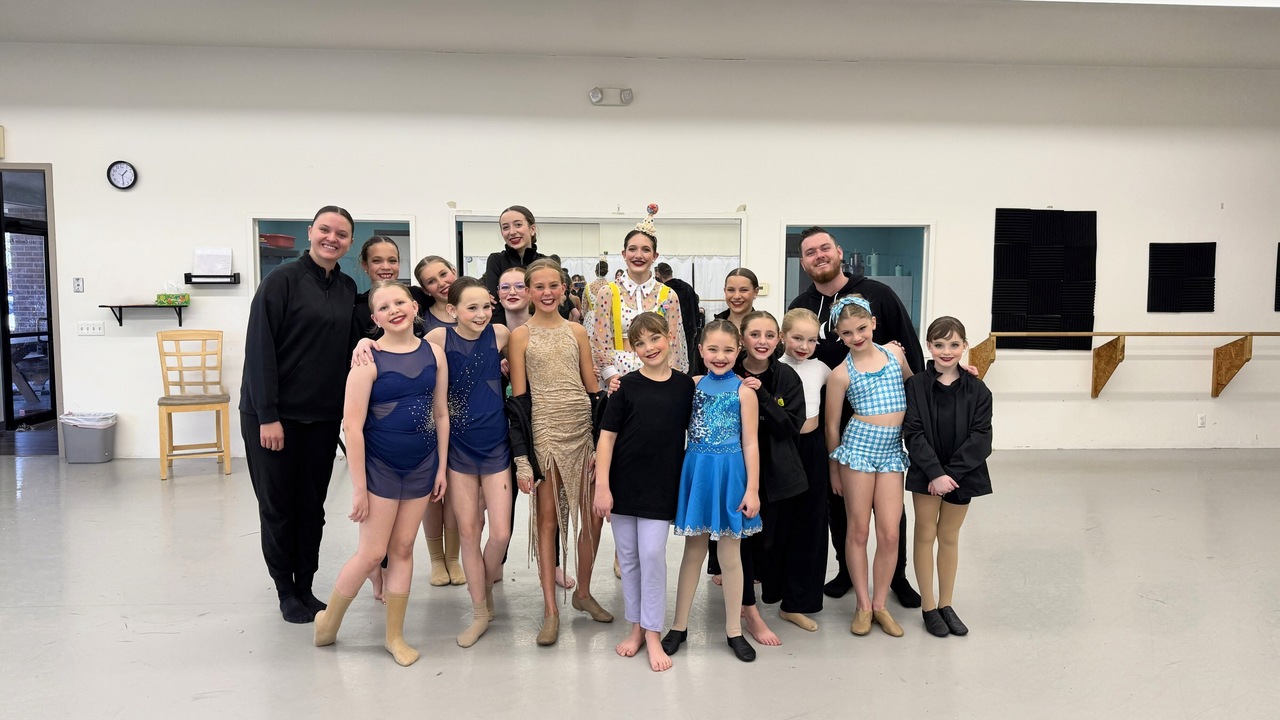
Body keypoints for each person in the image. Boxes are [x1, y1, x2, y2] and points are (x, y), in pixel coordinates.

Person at [312, 281, 449, 666]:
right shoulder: (366, 362)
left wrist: (440, 466)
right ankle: (328, 623)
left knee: (404, 549)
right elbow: (352, 428)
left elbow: (440, 413)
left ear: (414, 306)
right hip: (380, 469)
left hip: (422, 466)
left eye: (400, 301)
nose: (394, 309)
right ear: (375, 319)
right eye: (384, 306)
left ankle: (394, 636)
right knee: (372, 552)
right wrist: (359, 488)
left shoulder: (434, 353)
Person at [788, 226, 922, 607]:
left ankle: (897, 576)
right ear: (804, 262)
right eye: (810, 252)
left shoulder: (879, 295)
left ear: (839, 251)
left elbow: (909, 354)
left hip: (883, 420)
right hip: (833, 421)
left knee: (890, 509)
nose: (819, 256)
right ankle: (847, 571)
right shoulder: (801, 304)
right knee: (841, 503)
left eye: (824, 248)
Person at [241, 205, 358, 624]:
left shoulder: (346, 287)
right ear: (311, 232)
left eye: (341, 233)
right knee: (278, 506)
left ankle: (306, 585)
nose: (332, 238)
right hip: (272, 417)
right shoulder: (281, 281)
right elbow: (259, 351)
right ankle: (284, 590)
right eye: (325, 230)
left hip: (322, 418)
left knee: (312, 507)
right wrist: (268, 415)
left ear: (349, 241)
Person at [508, 258, 611, 646]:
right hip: (546, 431)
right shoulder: (520, 336)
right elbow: (519, 400)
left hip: (582, 430)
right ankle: (551, 608)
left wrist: (601, 434)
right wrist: (523, 458)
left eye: (555, 285)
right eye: (540, 286)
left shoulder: (577, 331)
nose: (548, 292)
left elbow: (592, 387)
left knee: (594, 517)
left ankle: (582, 593)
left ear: (564, 288)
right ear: (529, 291)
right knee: (548, 521)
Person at [593, 312, 695, 673]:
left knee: (652, 555)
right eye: (640, 343)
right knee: (630, 558)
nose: (649, 348)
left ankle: (653, 631)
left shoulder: (686, 387)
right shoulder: (626, 387)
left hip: (661, 485)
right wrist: (602, 486)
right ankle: (636, 627)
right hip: (622, 485)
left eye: (654, 339)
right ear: (632, 349)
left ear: (669, 338)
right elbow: (606, 439)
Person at [662, 319, 762, 663]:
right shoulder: (690, 386)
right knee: (694, 551)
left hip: (731, 472)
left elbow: (751, 444)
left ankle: (734, 629)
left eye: (728, 350)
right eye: (713, 349)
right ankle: (678, 625)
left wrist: (753, 489)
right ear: (701, 350)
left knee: (730, 556)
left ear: (739, 351)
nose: (720, 356)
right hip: (699, 470)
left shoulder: (744, 391)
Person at [425, 277, 514, 648]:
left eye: (485, 306)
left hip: (496, 443)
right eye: (471, 307)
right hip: (458, 448)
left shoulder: (501, 334)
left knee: (500, 534)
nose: (480, 314)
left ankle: (486, 588)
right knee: (469, 531)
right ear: (452, 311)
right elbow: (396, 349)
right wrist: (365, 342)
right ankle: (479, 611)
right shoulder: (438, 340)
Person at [824, 296, 913, 638]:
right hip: (858, 451)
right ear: (839, 335)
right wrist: (834, 468)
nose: (856, 337)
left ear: (873, 323)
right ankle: (862, 605)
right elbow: (832, 427)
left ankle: (880, 605)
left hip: (891, 451)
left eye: (861, 328)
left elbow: (914, 387)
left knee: (890, 532)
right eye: (847, 333)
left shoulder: (895, 354)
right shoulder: (840, 374)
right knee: (858, 531)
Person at [903, 316, 993, 638]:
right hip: (927, 474)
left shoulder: (978, 389)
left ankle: (946, 603)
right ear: (929, 346)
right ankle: (928, 606)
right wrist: (934, 473)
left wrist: (949, 475)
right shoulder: (914, 386)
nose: (946, 351)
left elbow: (981, 438)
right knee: (925, 534)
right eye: (939, 344)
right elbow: (912, 432)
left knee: (950, 536)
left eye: (954, 344)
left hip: (962, 475)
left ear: (964, 347)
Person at [736, 311, 808, 643]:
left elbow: (791, 428)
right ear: (742, 339)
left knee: (774, 542)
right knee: (742, 544)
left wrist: (762, 396)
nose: (762, 341)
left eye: (769, 335)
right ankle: (745, 605)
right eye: (755, 334)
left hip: (778, 474)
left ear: (778, 339)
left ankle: (779, 601)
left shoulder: (788, 378)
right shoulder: (727, 370)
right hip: (737, 472)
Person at [587, 204, 689, 390]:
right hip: (618, 376)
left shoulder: (668, 295)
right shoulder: (608, 292)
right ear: (624, 254)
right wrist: (610, 376)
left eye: (646, 250)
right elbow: (599, 340)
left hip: (659, 375)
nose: (638, 255)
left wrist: (672, 380)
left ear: (655, 256)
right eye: (633, 249)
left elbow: (674, 342)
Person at [775, 308, 834, 632]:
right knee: (779, 522)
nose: (804, 345)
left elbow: (859, 373)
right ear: (783, 337)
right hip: (780, 448)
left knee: (811, 523)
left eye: (811, 340)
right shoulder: (775, 368)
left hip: (812, 448)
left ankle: (799, 602)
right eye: (797, 338)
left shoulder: (821, 368)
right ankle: (771, 590)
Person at [706, 267, 764, 580]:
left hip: (747, 409)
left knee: (743, 499)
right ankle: (720, 566)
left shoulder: (761, 323)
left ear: (755, 292)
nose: (737, 295)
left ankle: (745, 570)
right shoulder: (716, 325)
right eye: (731, 289)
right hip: (717, 424)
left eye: (744, 289)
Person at [411, 255, 464, 585]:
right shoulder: (421, 321)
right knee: (433, 490)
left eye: (443, 274)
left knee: (457, 490)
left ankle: (454, 558)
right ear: (425, 290)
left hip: (468, 412)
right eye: (432, 281)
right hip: (431, 412)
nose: (441, 282)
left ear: (454, 272)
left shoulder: (476, 306)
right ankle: (435, 559)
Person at [480, 205, 545, 300]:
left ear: (532, 229)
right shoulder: (496, 260)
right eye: (506, 227)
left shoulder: (545, 263)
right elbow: (494, 304)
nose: (512, 232)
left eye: (518, 225)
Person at [654, 262, 700, 373]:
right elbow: (696, 309)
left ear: (658, 275)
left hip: (671, 333)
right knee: (689, 362)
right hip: (690, 330)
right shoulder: (687, 287)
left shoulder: (665, 292)